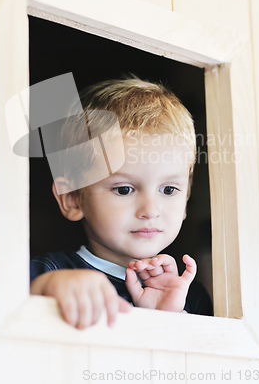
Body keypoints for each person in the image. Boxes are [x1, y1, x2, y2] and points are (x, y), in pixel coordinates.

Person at [30, 76, 213, 329]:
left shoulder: (191, 296)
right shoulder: (51, 272)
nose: (150, 210)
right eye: (125, 189)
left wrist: (171, 318)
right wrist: (44, 288)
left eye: (169, 189)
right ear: (72, 198)